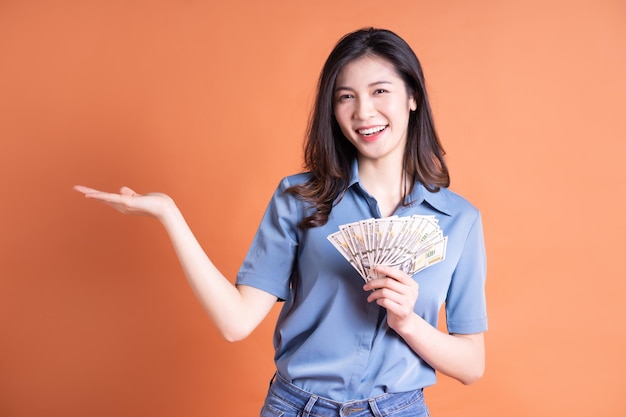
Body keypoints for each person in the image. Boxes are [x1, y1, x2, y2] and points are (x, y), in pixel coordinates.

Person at [74, 27, 487, 417]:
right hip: (298, 407)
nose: (363, 112)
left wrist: (408, 323)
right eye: (346, 97)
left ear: (412, 95)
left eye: (380, 91)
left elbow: (472, 365)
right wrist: (168, 213)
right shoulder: (299, 199)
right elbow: (235, 323)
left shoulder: (459, 220)